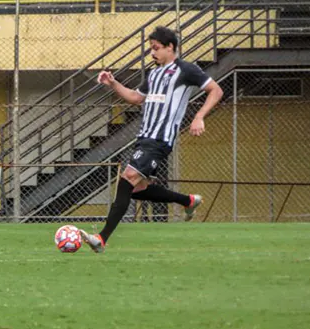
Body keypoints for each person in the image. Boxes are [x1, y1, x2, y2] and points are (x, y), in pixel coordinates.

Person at [80, 26, 223, 253]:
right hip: (144, 137)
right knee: (137, 190)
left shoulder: (186, 70)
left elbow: (216, 90)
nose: (152, 53)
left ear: (170, 47)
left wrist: (199, 116)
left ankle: (102, 238)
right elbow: (137, 98)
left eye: (156, 48)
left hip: (159, 140)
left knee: (127, 178)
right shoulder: (154, 74)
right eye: (151, 49)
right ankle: (187, 201)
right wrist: (114, 83)